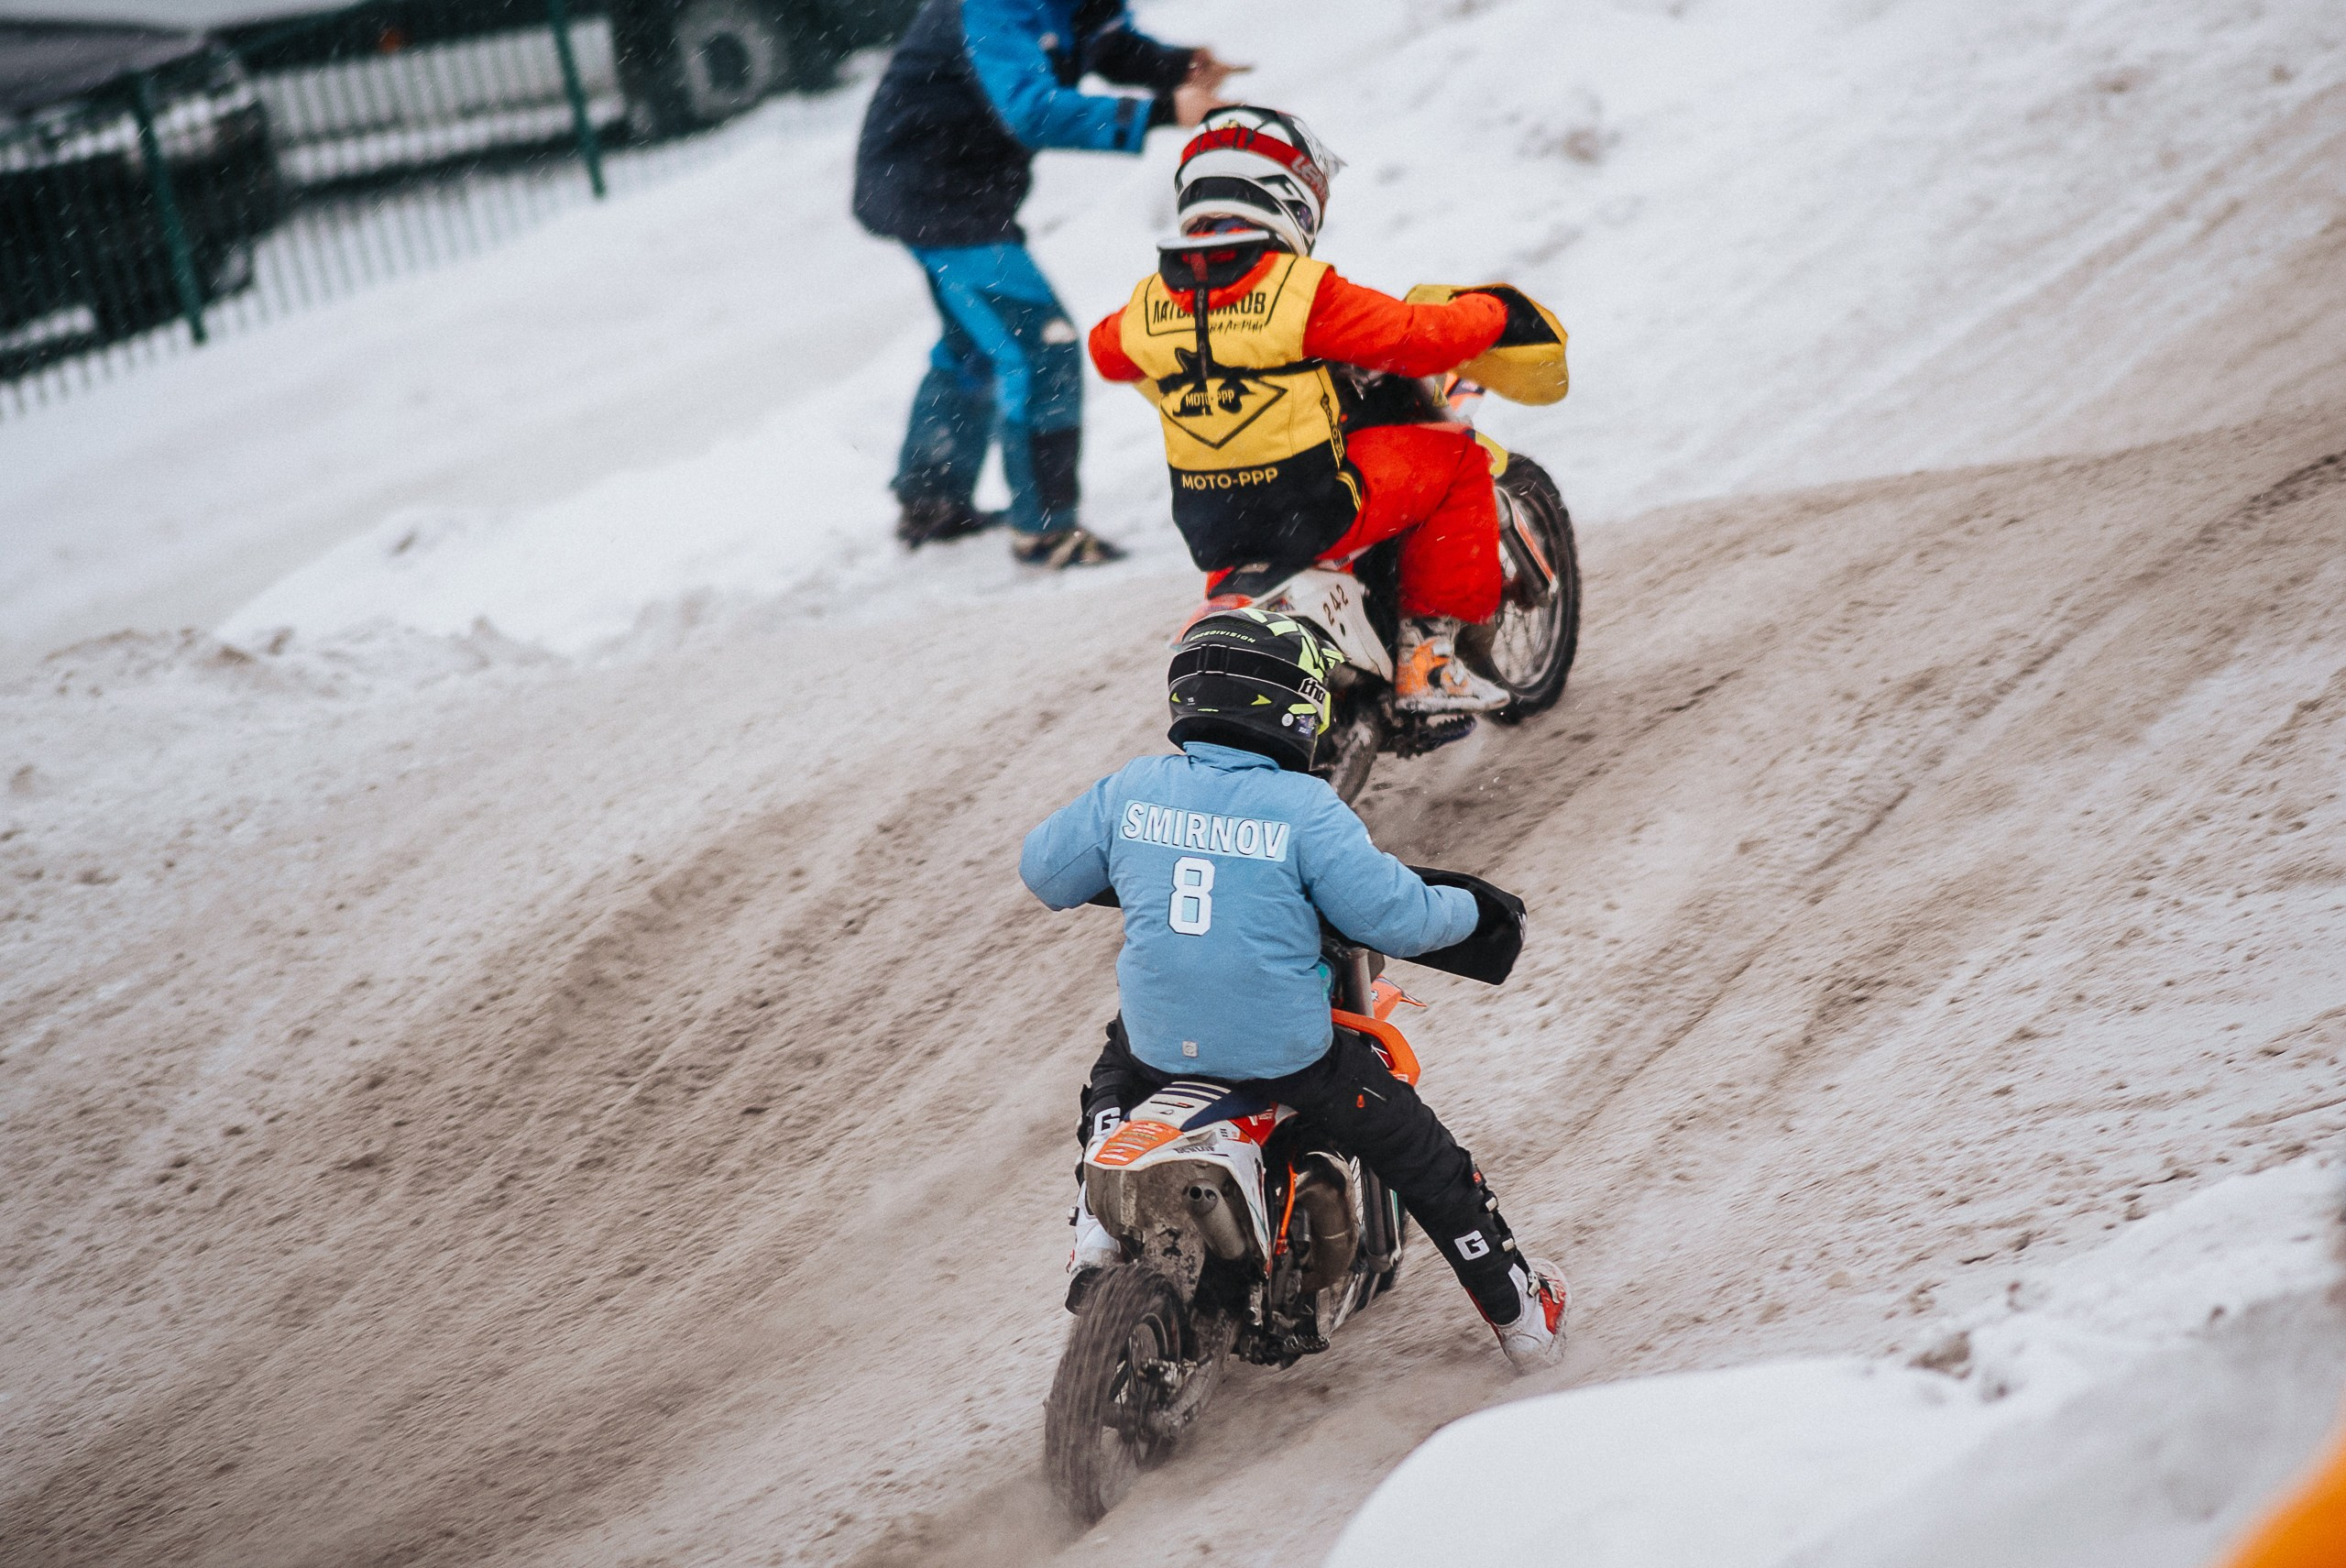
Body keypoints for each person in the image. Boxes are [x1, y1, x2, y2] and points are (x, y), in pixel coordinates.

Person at [1018, 606, 1570, 1372]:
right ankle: (1523, 1316)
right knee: (1424, 1157)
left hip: (1158, 1046)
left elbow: (1043, 870)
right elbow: (1395, 917)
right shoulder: (1305, 809)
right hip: (1285, 1054)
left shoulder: (1133, 789)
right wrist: (1475, 908)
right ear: (1293, 706)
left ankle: (1096, 1232)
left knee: (1112, 1075)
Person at [1085, 104, 1569, 717]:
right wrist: (1494, 313)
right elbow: (1420, 338)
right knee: (1456, 460)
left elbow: (1108, 353)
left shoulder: (1150, 302)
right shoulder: (1299, 289)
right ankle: (1428, 655)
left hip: (1217, 527)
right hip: (1315, 511)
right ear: (1289, 195)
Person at [852, 0, 1241, 567]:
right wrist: (1160, 110)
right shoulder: (988, 8)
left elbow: (1105, 42)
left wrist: (1179, 67)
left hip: (965, 189)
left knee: (977, 343)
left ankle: (931, 501)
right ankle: (1045, 531)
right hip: (930, 193)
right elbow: (1030, 111)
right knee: (1041, 343)